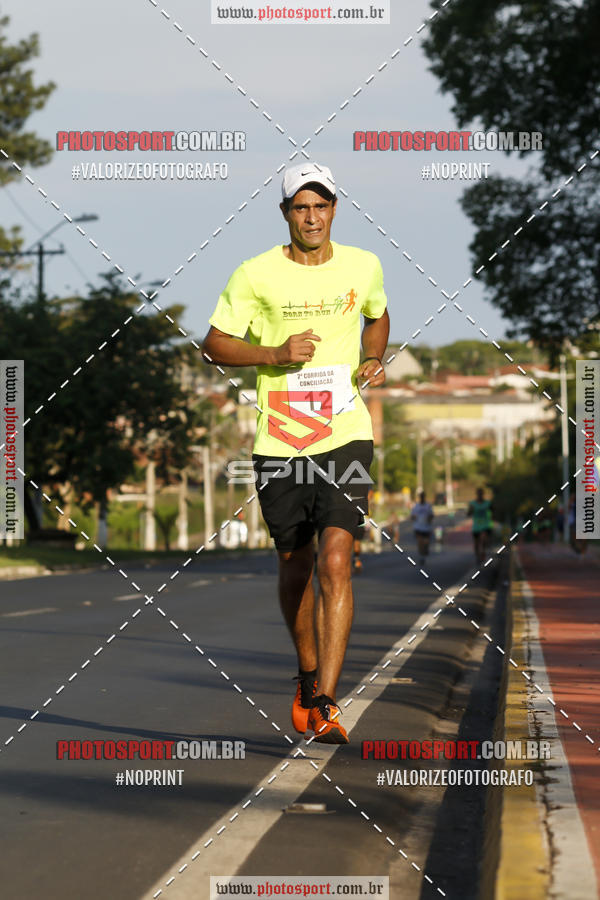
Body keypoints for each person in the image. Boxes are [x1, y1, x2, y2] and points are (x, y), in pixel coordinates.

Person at [202, 162, 390, 744]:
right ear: (285, 213)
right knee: (296, 564)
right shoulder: (255, 274)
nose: (313, 216)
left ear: (335, 208)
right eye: (301, 207)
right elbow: (214, 344)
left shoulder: (364, 265)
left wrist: (372, 358)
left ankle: (328, 699)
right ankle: (308, 675)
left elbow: (377, 318)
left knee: (337, 559)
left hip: (345, 434)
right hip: (281, 440)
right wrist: (275, 354)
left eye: (322, 205)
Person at [468, 488, 493, 563]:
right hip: (476, 526)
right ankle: (477, 556)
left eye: (481, 494)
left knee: (483, 539)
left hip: (485, 525)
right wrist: (471, 510)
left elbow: (494, 511)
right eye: (478, 494)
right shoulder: (472, 503)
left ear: (483, 494)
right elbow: (468, 514)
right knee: (476, 543)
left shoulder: (487, 503)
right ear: (477, 494)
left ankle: (483, 551)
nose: (480, 495)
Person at [411, 491, 434, 567]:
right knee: (420, 542)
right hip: (418, 527)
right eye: (421, 496)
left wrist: (429, 520)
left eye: (423, 496)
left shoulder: (428, 506)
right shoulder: (416, 506)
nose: (422, 498)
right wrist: (414, 518)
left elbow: (431, 515)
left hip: (426, 527)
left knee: (426, 542)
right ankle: (422, 557)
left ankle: (425, 551)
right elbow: (412, 516)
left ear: (425, 497)